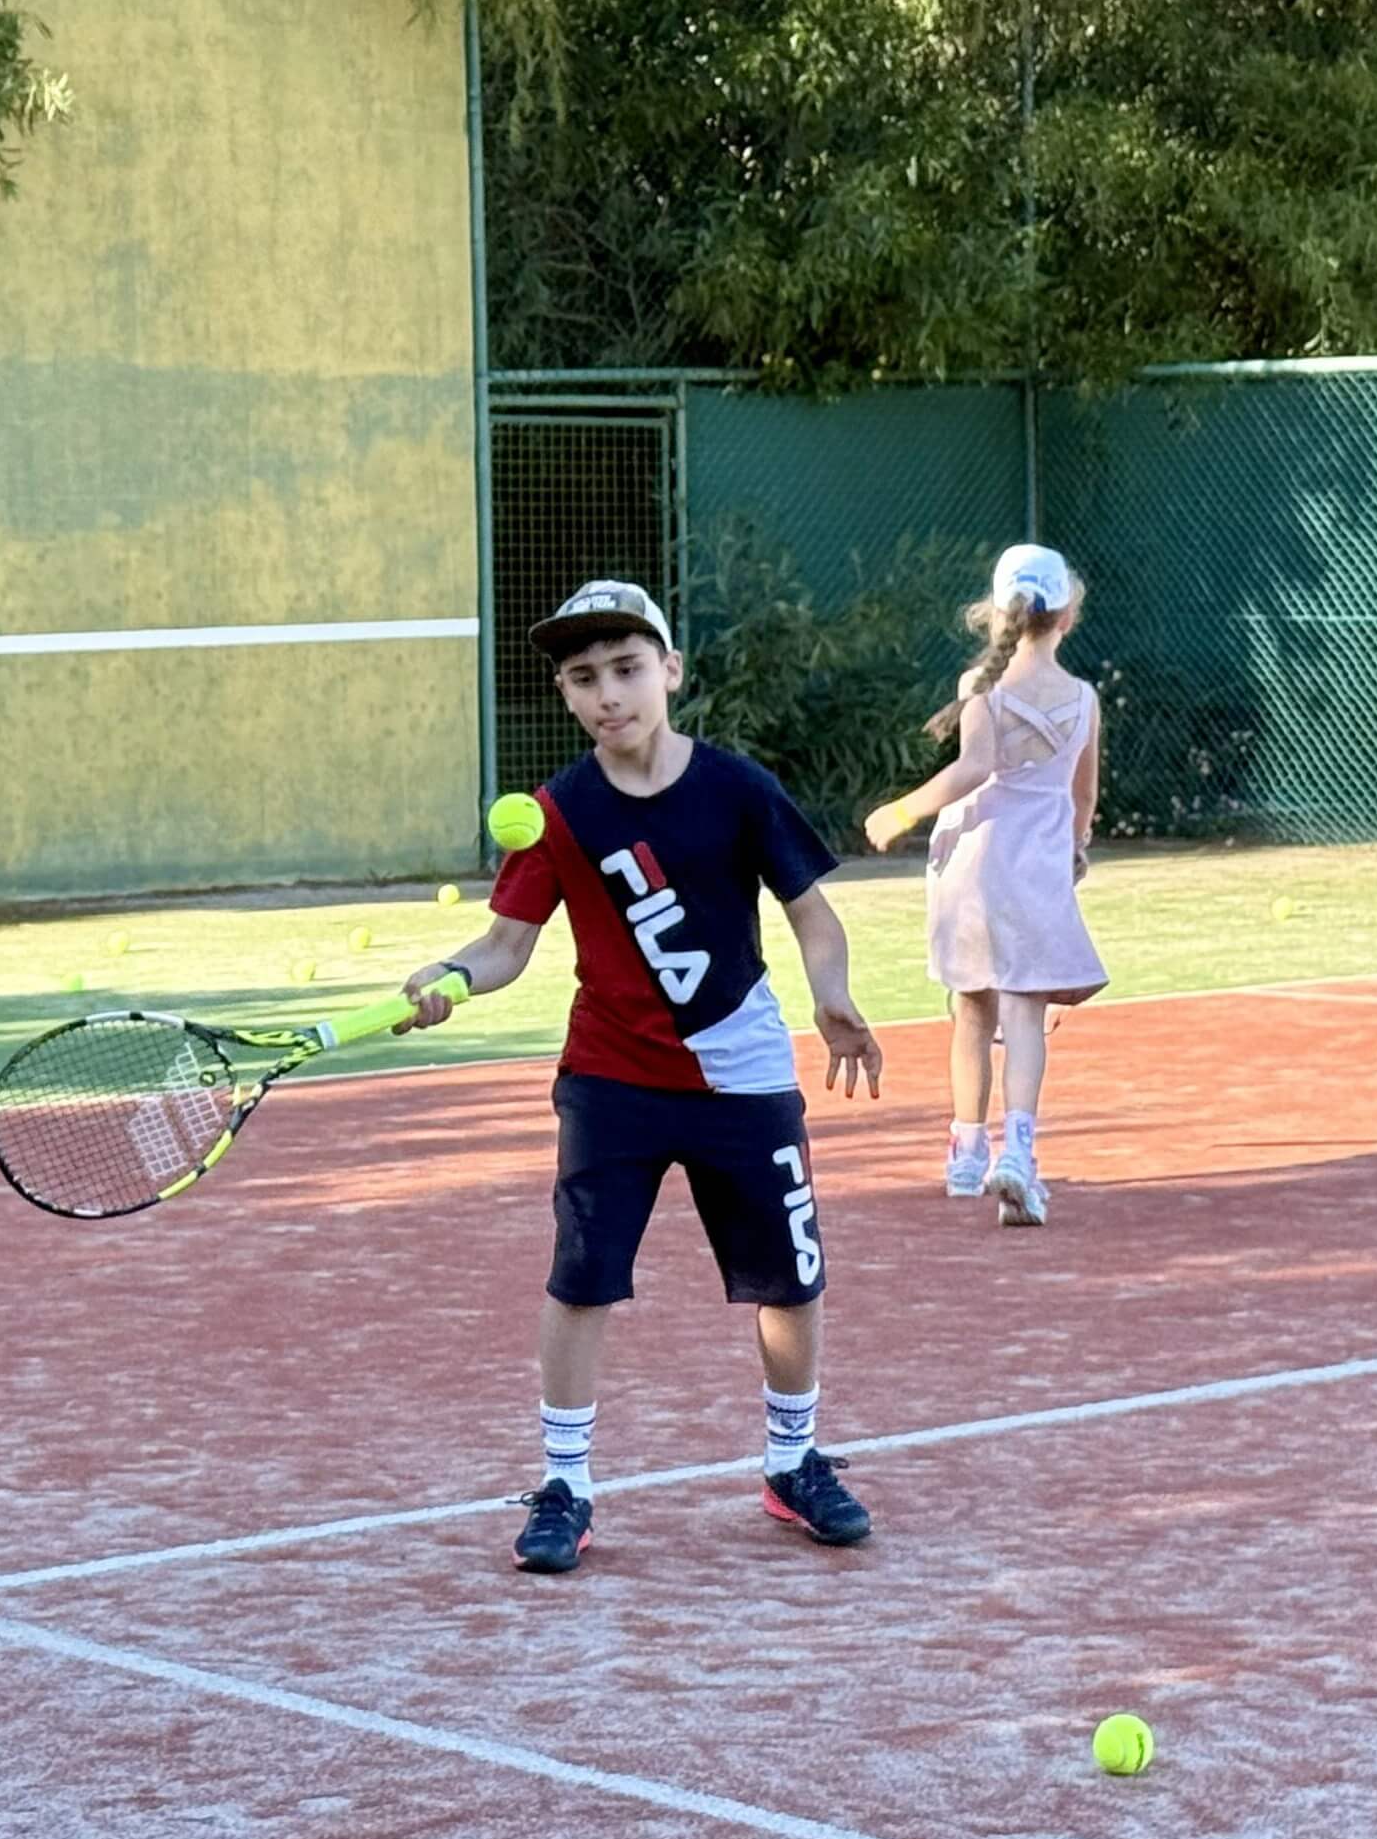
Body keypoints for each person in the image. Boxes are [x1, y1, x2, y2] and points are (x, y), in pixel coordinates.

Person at [400, 580, 887, 1574]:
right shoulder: (558, 813)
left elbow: (811, 913)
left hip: (743, 1074)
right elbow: (505, 946)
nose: (607, 693)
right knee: (582, 1277)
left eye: (626, 669)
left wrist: (831, 992)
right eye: (584, 678)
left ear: (670, 670)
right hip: (611, 1081)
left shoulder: (737, 787)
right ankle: (564, 1485)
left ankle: (791, 1462)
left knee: (789, 1276)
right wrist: (449, 975)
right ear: (566, 694)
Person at [862, 544, 1105, 1227]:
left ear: (996, 614)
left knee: (971, 1006)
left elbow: (973, 768)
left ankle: (967, 1153)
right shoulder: (1084, 700)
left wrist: (902, 811)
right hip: (1034, 865)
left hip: (972, 861)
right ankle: (1017, 1151)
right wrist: (1075, 848)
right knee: (1023, 1010)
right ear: (1068, 616)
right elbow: (1082, 795)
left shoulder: (982, 685)